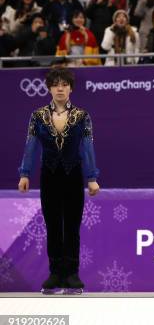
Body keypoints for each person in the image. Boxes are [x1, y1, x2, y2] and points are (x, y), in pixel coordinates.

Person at [18, 68, 100, 294]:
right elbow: (31, 145)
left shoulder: (82, 116)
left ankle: (72, 274)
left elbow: (87, 147)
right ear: (49, 88)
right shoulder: (37, 116)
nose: (60, 88)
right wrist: (25, 173)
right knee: (53, 226)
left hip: (73, 175)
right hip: (49, 176)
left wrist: (91, 177)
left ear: (71, 88)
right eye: (56, 84)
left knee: (72, 227)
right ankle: (55, 273)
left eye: (64, 84)